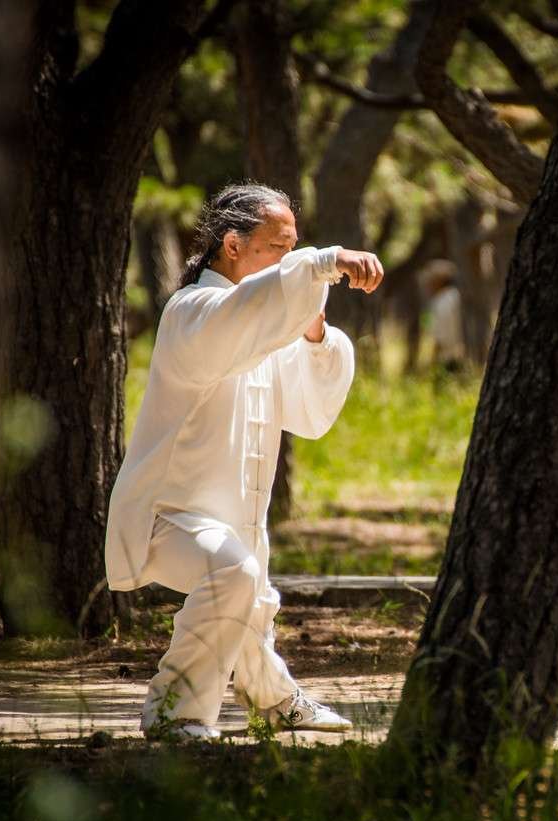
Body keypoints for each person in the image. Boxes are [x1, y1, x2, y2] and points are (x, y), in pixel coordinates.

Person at [104, 183, 384, 740]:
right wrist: (321, 263)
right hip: (167, 516)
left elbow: (309, 412)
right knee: (234, 574)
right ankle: (174, 712)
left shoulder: (259, 328)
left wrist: (310, 331)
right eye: (278, 247)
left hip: (234, 521)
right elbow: (239, 321)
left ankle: (275, 698)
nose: (288, 258)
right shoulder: (192, 312)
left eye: (294, 246)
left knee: (248, 595)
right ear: (232, 246)